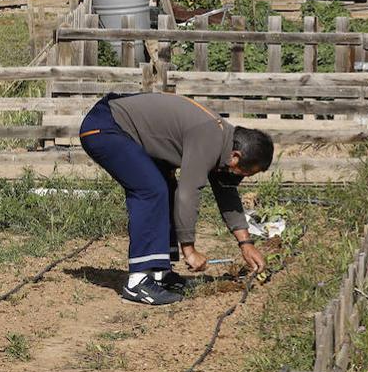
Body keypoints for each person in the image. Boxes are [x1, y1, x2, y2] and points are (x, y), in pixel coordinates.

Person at [79, 92, 275, 306]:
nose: (241, 178)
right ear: (235, 156)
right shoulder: (210, 137)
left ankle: (159, 273)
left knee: (165, 186)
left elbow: (227, 193)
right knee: (151, 189)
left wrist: (246, 244)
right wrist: (189, 251)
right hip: (105, 126)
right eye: (245, 173)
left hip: (119, 129)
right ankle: (138, 281)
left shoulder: (224, 144)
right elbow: (188, 193)